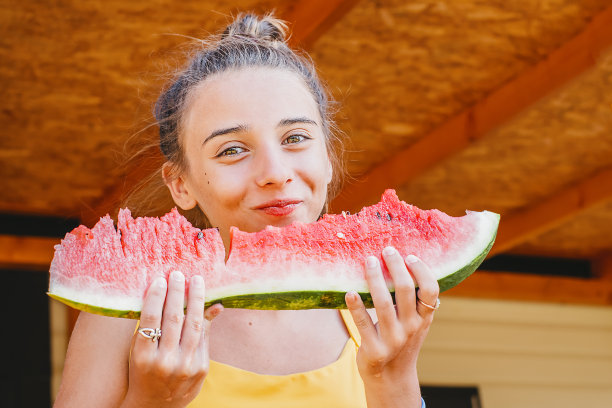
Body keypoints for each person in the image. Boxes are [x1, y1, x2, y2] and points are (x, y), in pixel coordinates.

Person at [54, 13, 439, 408]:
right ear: (181, 185)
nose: (275, 173)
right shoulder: (127, 310)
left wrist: (394, 379)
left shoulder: (376, 305)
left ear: (327, 159)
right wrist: (151, 401)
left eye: (295, 138)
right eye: (232, 150)